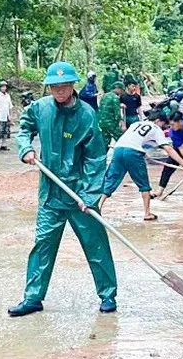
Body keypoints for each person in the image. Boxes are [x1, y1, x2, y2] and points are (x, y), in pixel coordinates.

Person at [9, 62, 118, 317]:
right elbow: (24, 128)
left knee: (96, 246)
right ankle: (33, 298)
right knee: (43, 245)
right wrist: (25, 148)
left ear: (72, 86)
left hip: (79, 192)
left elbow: (95, 158)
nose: (59, 90)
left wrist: (89, 196)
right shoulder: (40, 108)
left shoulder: (87, 115)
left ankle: (108, 295)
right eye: (54, 86)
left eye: (64, 86)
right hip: (50, 193)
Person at [100, 112, 183, 221]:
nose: (163, 126)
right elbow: (169, 149)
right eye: (163, 124)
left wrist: (145, 154)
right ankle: (147, 213)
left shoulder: (136, 124)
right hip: (133, 153)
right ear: (158, 121)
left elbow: (134, 139)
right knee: (143, 184)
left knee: (111, 179)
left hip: (118, 149)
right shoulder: (156, 129)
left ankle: (98, 207)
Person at [98, 81, 124, 145]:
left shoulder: (105, 95)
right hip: (111, 123)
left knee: (105, 142)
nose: (121, 92)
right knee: (122, 140)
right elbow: (117, 114)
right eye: (121, 90)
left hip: (101, 122)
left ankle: (103, 154)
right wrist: (121, 123)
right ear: (118, 88)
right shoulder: (115, 98)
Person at [0, 80, 13, 151]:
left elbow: (10, 106)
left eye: (5, 87)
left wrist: (10, 115)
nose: (4, 88)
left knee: (6, 131)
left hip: (6, 115)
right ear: (0, 88)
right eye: (2, 87)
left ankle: (4, 145)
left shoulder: (8, 96)